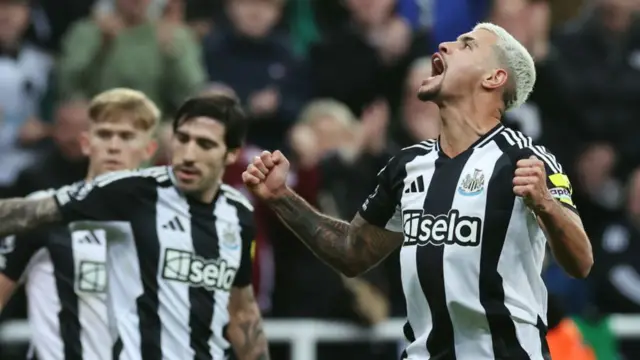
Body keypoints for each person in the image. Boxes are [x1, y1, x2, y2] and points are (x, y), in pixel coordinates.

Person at [242, 22, 593, 359]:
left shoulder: (525, 159)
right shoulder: (407, 167)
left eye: (466, 44)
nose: (444, 46)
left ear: (494, 77)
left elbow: (581, 262)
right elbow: (352, 252)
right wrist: (280, 198)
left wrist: (545, 203)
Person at [0, 94, 269, 360]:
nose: (188, 154)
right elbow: (28, 214)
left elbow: (243, 311)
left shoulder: (239, 214)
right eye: (182, 139)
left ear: (232, 154)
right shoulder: (132, 192)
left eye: (205, 144)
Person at [0, 88, 159, 360]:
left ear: (149, 149)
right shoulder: (41, 211)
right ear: (86, 143)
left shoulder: (167, 223)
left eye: (126, 136)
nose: (114, 145)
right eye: (105, 134)